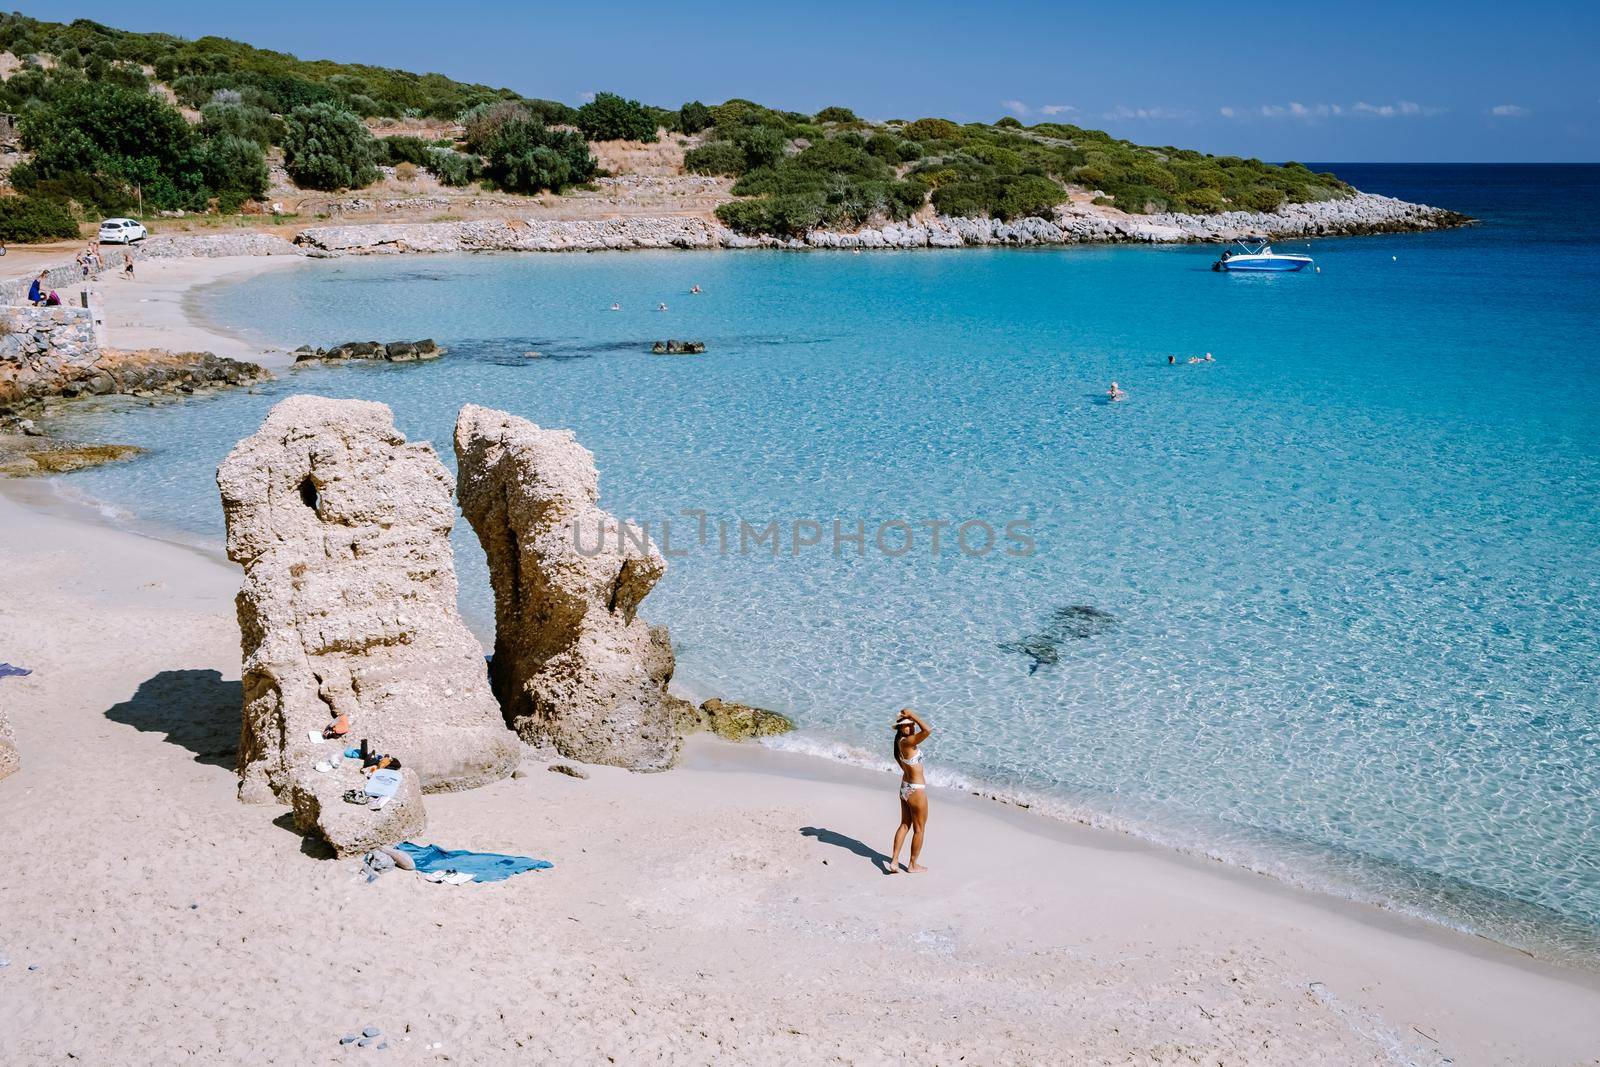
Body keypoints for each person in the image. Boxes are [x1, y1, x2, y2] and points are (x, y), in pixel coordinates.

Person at [888, 708, 932, 874]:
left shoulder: (900, 743)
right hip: (916, 790)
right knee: (919, 829)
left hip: (905, 787)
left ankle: (894, 861)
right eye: (906, 725)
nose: (911, 727)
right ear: (900, 728)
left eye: (911, 725)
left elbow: (903, 764)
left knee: (905, 824)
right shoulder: (908, 742)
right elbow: (927, 730)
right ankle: (912, 865)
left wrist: (910, 718)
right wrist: (913, 714)